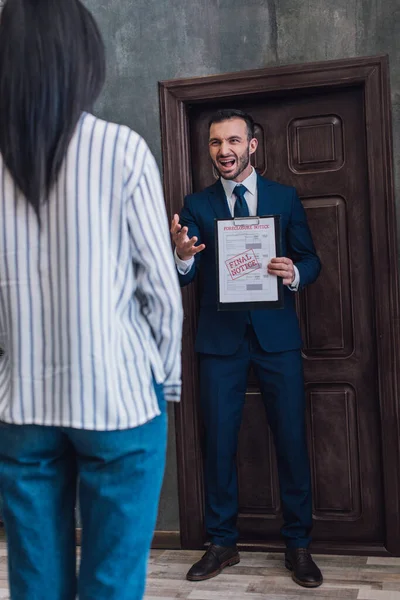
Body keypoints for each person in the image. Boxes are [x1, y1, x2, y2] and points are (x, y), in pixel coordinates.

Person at [0, 1, 183, 599]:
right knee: (111, 584)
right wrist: (165, 382)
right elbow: (162, 292)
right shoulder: (121, 150)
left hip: (23, 403)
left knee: (36, 586)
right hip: (119, 402)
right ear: (83, 60)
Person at [170, 109, 322, 588]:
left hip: (276, 339)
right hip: (220, 342)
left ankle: (298, 544)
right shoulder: (196, 205)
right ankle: (221, 543)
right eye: (216, 144)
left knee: (293, 441)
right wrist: (180, 255)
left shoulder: (285, 197)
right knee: (218, 444)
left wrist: (293, 273)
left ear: (252, 144)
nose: (224, 151)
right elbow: (189, 272)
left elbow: (311, 259)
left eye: (233, 141)